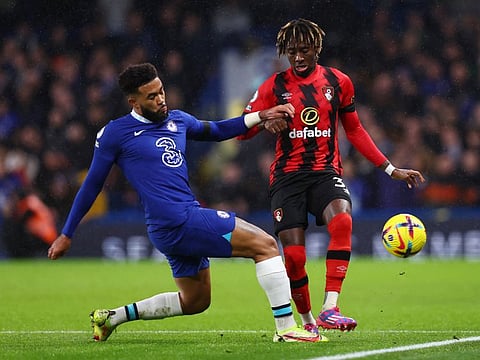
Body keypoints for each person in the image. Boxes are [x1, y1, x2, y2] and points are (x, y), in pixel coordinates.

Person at [47, 62, 327, 343]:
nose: (160, 99)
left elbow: (218, 130)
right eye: (151, 97)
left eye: (161, 91)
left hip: (173, 224)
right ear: (134, 102)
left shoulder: (178, 120)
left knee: (195, 301)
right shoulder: (115, 133)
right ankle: (287, 328)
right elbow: (92, 185)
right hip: (175, 220)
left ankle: (111, 317)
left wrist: (261, 115)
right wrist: (67, 233)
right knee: (265, 245)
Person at [238, 19, 425, 334]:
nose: (297, 57)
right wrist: (264, 120)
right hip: (287, 177)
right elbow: (242, 131)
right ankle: (308, 321)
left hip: (325, 172)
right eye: (292, 51)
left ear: (317, 49)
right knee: (295, 258)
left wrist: (391, 169)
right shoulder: (273, 86)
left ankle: (330, 307)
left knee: (343, 219)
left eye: (304, 50)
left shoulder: (338, 82)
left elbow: (354, 129)